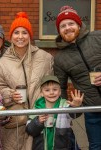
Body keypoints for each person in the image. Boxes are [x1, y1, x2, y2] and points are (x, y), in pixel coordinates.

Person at [0, 12, 54, 150]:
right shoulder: (2, 62)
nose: (20, 37)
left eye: (24, 32)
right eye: (16, 32)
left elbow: (51, 84)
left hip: (40, 119)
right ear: (11, 36)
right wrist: (9, 95)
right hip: (15, 125)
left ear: (30, 35)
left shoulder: (45, 58)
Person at [54, 5, 101, 150]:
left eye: (71, 23)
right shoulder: (60, 58)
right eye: (63, 26)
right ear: (59, 31)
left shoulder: (97, 37)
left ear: (79, 25)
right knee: (95, 146)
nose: (67, 28)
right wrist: (68, 112)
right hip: (92, 110)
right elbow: (60, 88)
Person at [26, 75, 83, 150]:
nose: (51, 92)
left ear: (59, 92)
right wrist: (38, 121)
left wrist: (76, 107)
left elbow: (74, 114)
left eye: (55, 89)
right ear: (41, 93)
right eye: (47, 90)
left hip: (62, 146)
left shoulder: (64, 105)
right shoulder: (37, 108)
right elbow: (30, 130)